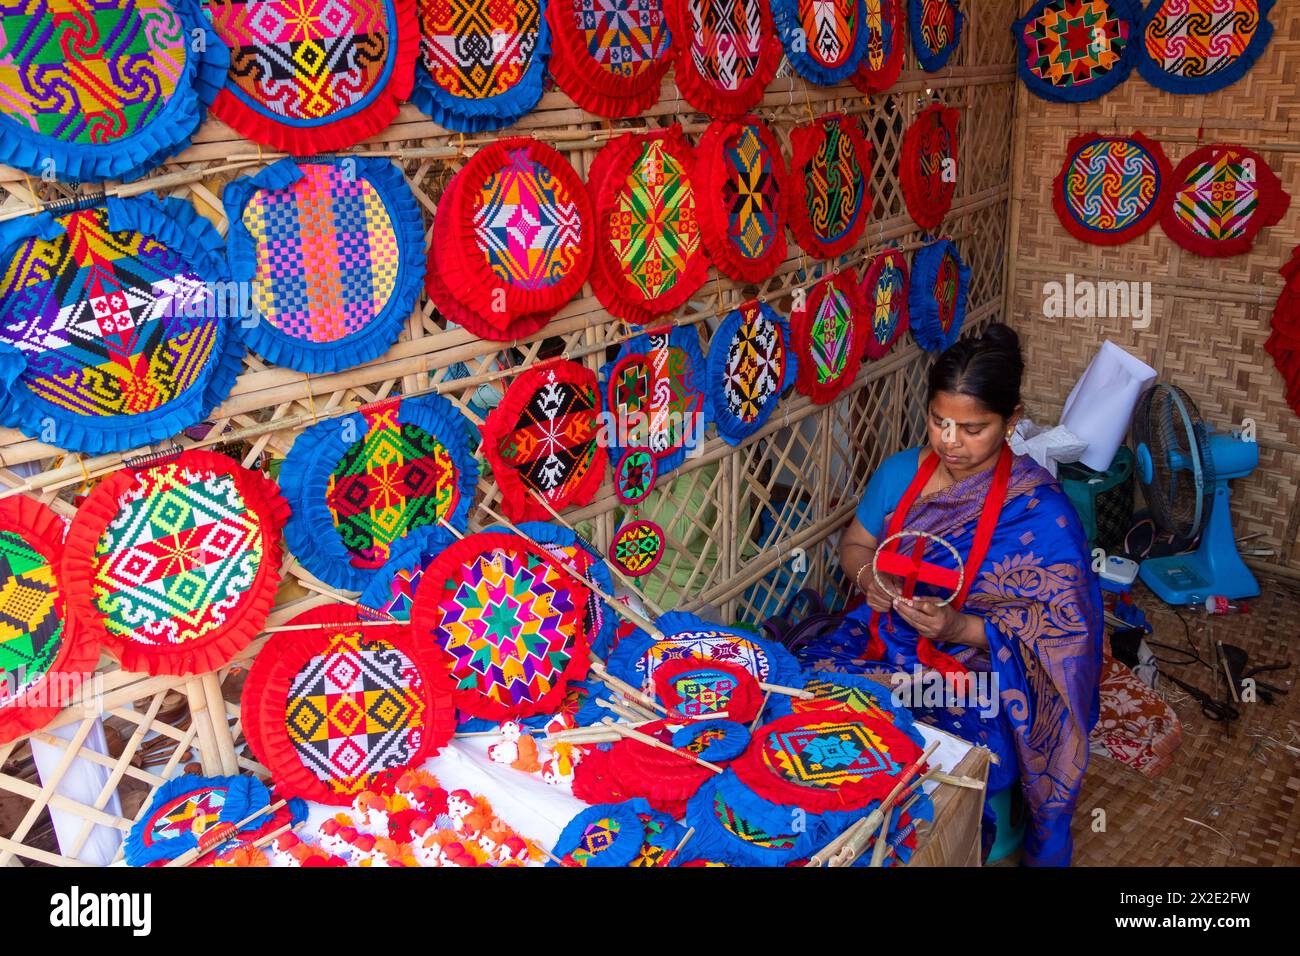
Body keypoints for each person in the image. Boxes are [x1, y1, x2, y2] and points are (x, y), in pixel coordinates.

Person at [808, 323, 1103, 866]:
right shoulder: (901, 474)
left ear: (1010, 422)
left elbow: (1065, 635)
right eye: (939, 421)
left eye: (972, 428)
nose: (949, 441)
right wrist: (870, 580)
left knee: (936, 749)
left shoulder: (1040, 511)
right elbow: (855, 544)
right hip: (878, 637)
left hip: (981, 666)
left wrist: (958, 628)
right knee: (812, 700)